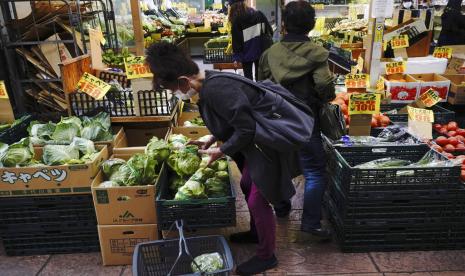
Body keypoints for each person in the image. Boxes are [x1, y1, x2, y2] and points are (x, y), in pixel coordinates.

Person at [146, 42, 300, 275]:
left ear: (183, 82)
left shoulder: (217, 89)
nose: (175, 94)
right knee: (247, 184)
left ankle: (267, 256)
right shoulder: (208, 82)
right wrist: (212, 138)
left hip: (267, 144)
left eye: (172, 89)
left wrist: (222, 150)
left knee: (259, 200)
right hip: (256, 143)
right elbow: (232, 120)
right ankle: (255, 232)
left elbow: (246, 128)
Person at [258, 1, 335, 239]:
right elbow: (324, 85)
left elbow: (260, 87)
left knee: (278, 164)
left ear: (284, 24)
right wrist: (323, 97)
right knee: (314, 171)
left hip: (276, 120)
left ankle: (281, 207)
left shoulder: (269, 54)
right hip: (306, 120)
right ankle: (311, 223)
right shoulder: (318, 53)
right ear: (311, 25)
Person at [228, 0, 273, 80]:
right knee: (260, 77)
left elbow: (237, 40)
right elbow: (269, 31)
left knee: (248, 78)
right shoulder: (259, 14)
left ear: (232, 6)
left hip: (246, 53)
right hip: (261, 51)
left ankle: (250, 91)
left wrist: (237, 57)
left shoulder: (236, 19)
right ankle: (260, 91)